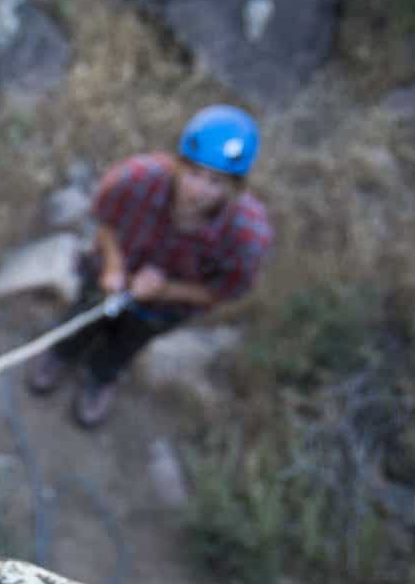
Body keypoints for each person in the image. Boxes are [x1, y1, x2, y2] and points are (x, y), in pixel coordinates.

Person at [27, 105, 274, 428]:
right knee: (83, 315)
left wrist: (167, 289)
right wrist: (113, 267)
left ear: (235, 188)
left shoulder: (247, 236)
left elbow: (224, 290)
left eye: (215, 181)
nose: (198, 190)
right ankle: (63, 352)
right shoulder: (137, 179)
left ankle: (101, 377)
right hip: (106, 276)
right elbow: (104, 219)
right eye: (193, 173)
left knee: (127, 343)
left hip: (163, 308)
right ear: (178, 164)